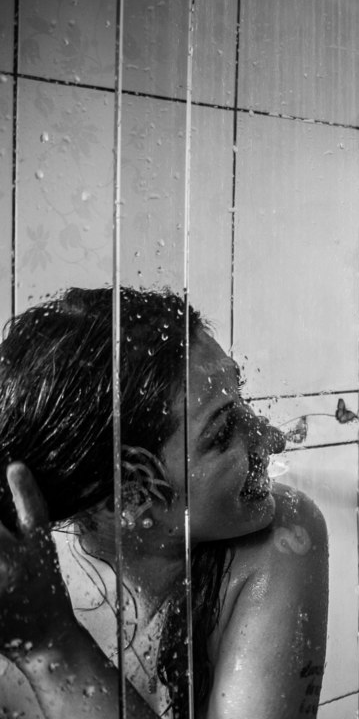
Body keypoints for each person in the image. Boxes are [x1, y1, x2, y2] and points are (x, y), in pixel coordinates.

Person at [0, 287, 329, 719]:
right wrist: (47, 637)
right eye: (222, 433)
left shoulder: (280, 536)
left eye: (239, 398)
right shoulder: (18, 578)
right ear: (129, 494)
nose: (273, 439)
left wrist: (53, 645)